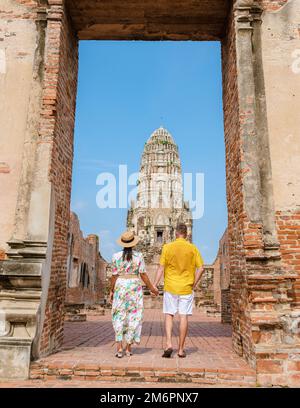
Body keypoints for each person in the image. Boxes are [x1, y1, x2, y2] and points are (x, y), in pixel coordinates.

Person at [153, 223, 204, 358]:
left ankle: (169, 343)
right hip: (186, 287)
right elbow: (201, 268)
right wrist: (194, 283)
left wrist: (154, 285)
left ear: (175, 234)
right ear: (186, 234)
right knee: (183, 316)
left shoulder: (167, 247)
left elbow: (160, 268)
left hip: (170, 286)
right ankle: (181, 350)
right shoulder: (192, 248)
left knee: (169, 315)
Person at [109, 230, 159, 358]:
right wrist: (152, 288)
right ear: (133, 243)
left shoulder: (116, 256)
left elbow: (114, 276)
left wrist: (111, 290)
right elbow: (143, 275)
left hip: (120, 285)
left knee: (119, 315)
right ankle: (128, 348)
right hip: (134, 286)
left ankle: (119, 348)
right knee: (133, 316)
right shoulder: (138, 256)